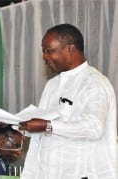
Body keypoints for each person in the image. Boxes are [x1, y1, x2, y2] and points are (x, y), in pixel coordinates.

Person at [19, 24, 117, 179]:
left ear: (70, 49)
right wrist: (19, 125)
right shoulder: (52, 85)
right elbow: (42, 132)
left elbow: (94, 127)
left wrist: (48, 126)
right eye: (43, 51)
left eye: (49, 50)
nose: (44, 56)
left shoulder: (94, 82)